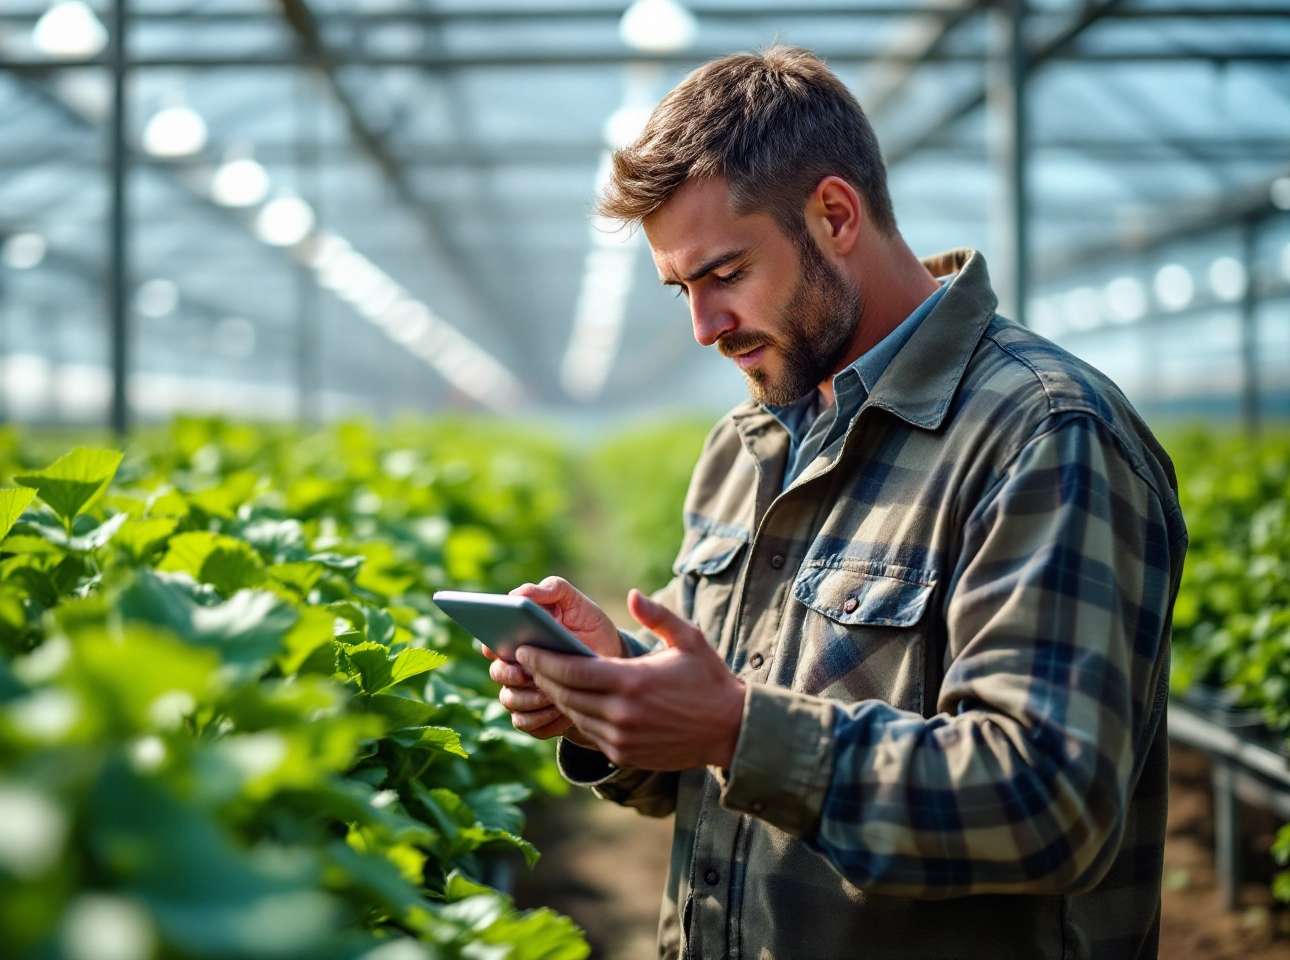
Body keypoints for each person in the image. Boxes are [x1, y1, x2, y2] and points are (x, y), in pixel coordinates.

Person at [485, 45, 1186, 960]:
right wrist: (615, 689)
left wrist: (737, 728)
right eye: (682, 289)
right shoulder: (748, 442)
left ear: (835, 215)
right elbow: (717, 763)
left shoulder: (1044, 434)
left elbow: (1049, 800)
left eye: (725, 274)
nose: (703, 326)